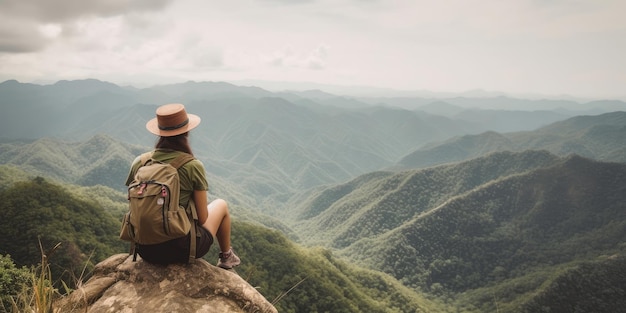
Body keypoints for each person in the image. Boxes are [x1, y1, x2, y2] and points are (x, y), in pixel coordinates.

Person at [125, 103, 241, 269]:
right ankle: (226, 257)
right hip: (182, 249)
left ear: (159, 133)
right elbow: (203, 218)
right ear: (186, 131)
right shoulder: (192, 166)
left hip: (145, 249)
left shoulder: (140, 162)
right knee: (221, 204)